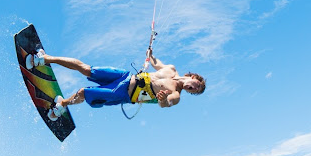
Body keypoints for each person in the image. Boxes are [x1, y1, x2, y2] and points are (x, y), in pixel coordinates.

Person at [26, 47, 205, 120]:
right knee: (86, 68)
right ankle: (44, 59)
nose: (193, 88)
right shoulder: (171, 69)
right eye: (196, 85)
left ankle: (61, 105)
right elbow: (155, 62)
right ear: (192, 76)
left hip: (124, 94)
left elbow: (166, 104)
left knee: (83, 92)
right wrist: (150, 54)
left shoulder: (176, 94)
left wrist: (164, 99)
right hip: (126, 77)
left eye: (194, 91)